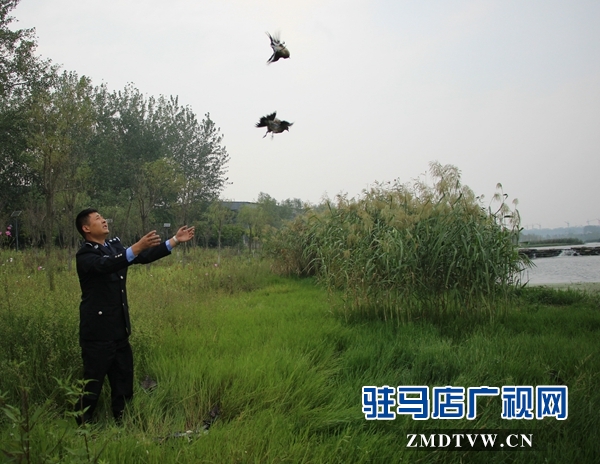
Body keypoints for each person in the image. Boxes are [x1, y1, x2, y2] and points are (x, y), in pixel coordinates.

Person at [74, 208, 194, 425]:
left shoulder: (113, 246)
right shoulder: (86, 255)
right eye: (97, 219)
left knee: (123, 382)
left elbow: (142, 256)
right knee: (92, 385)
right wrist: (135, 248)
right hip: (98, 334)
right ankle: (83, 427)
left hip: (119, 330)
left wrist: (174, 240)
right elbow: (106, 265)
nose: (103, 220)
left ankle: (123, 422)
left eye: (103, 217)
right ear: (86, 228)